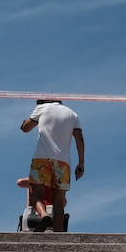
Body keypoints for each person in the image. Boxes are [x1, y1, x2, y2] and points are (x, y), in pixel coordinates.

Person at [20, 99, 84, 233]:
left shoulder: (42, 108)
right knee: (59, 201)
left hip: (42, 158)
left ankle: (43, 216)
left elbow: (26, 128)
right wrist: (81, 162)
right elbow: (79, 138)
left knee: (37, 194)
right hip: (63, 162)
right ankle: (58, 234)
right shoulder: (72, 114)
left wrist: (24, 123)